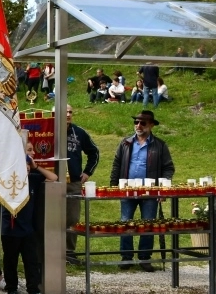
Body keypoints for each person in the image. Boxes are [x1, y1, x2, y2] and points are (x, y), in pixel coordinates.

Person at [110, 111, 175, 271]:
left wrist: (163, 189)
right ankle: (126, 257)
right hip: (127, 189)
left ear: (151, 125)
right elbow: (117, 163)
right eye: (136, 122)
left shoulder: (160, 145)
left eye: (143, 123)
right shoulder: (125, 143)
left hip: (150, 191)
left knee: (148, 224)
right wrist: (113, 185)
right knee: (126, 222)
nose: (138, 125)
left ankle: (145, 258)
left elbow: (168, 168)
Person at [2, 142, 56, 294]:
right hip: (10, 227)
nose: (32, 154)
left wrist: (35, 166)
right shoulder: (7, 178)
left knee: (31, 261)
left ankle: (34, 293)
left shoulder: (33, 178)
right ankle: (12, 292)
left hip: (28, 228)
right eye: (28, 152)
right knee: (11, 261)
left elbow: (53, 178)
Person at [56, 105, 100, 264]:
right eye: (65, 111)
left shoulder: (79, 132)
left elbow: (94, 152)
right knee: (50, 217)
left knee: (72, 218)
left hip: (73, 183)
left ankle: (69, 252)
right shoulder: (47, 131)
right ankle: (50, 251)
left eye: (70, 112)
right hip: (50, 182)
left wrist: (87, 172)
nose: (68, 114)